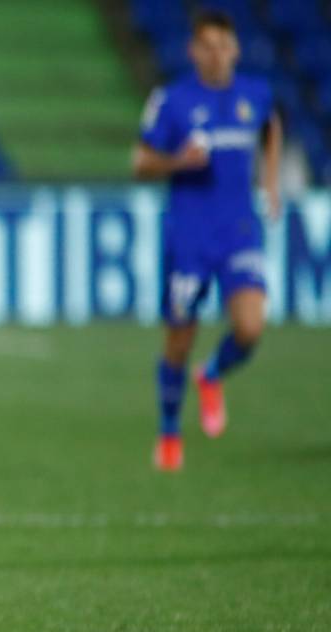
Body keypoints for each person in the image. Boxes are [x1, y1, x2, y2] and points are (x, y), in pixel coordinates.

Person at [133, 9, 281, 471]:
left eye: (225, 46)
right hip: (189, 235)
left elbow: (271, 127)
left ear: (236, 50)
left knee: (251, 327)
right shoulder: (172, 101)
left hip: (239, 230)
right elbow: (140, 163)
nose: (217, 55)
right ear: (193, 51)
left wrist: (270, 181)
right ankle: (169, 430)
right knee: (179, 336)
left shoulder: (254, 95)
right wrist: (177, 162)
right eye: (208, 46)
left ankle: (212, 373)